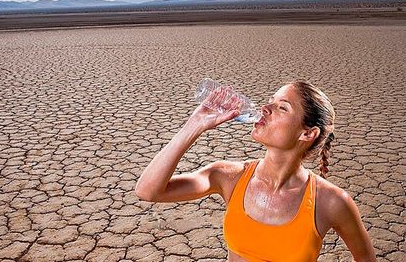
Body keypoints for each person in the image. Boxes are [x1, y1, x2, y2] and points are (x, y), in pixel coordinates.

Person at [135, 81, 376, 262]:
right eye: (271, 100)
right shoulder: (229, 177)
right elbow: (148, 191)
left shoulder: (331, 202)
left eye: (282, 107)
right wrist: (194, 125)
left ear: (308, 134)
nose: (265, 108)